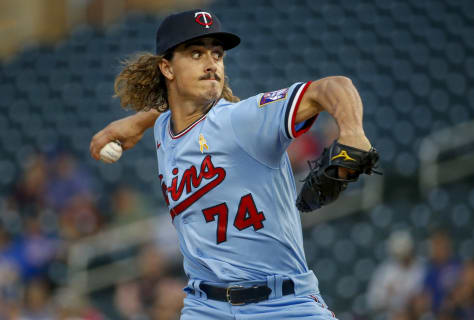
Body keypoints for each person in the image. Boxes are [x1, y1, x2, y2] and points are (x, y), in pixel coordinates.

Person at [90, 9, 373, 319]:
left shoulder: (242, 119)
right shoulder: (163, 129)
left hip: (284, 304)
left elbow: (333, 87)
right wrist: (138, 122)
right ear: (167, 69)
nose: (211, 63)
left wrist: (353, 133)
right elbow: (172, 112)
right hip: (204, 307)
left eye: (217, 54)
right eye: (196, 53)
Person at [366, 230, 425, 320]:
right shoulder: (385, 271)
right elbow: (373, 301)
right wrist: (387, 296)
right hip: (392, 315)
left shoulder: (421, 267)